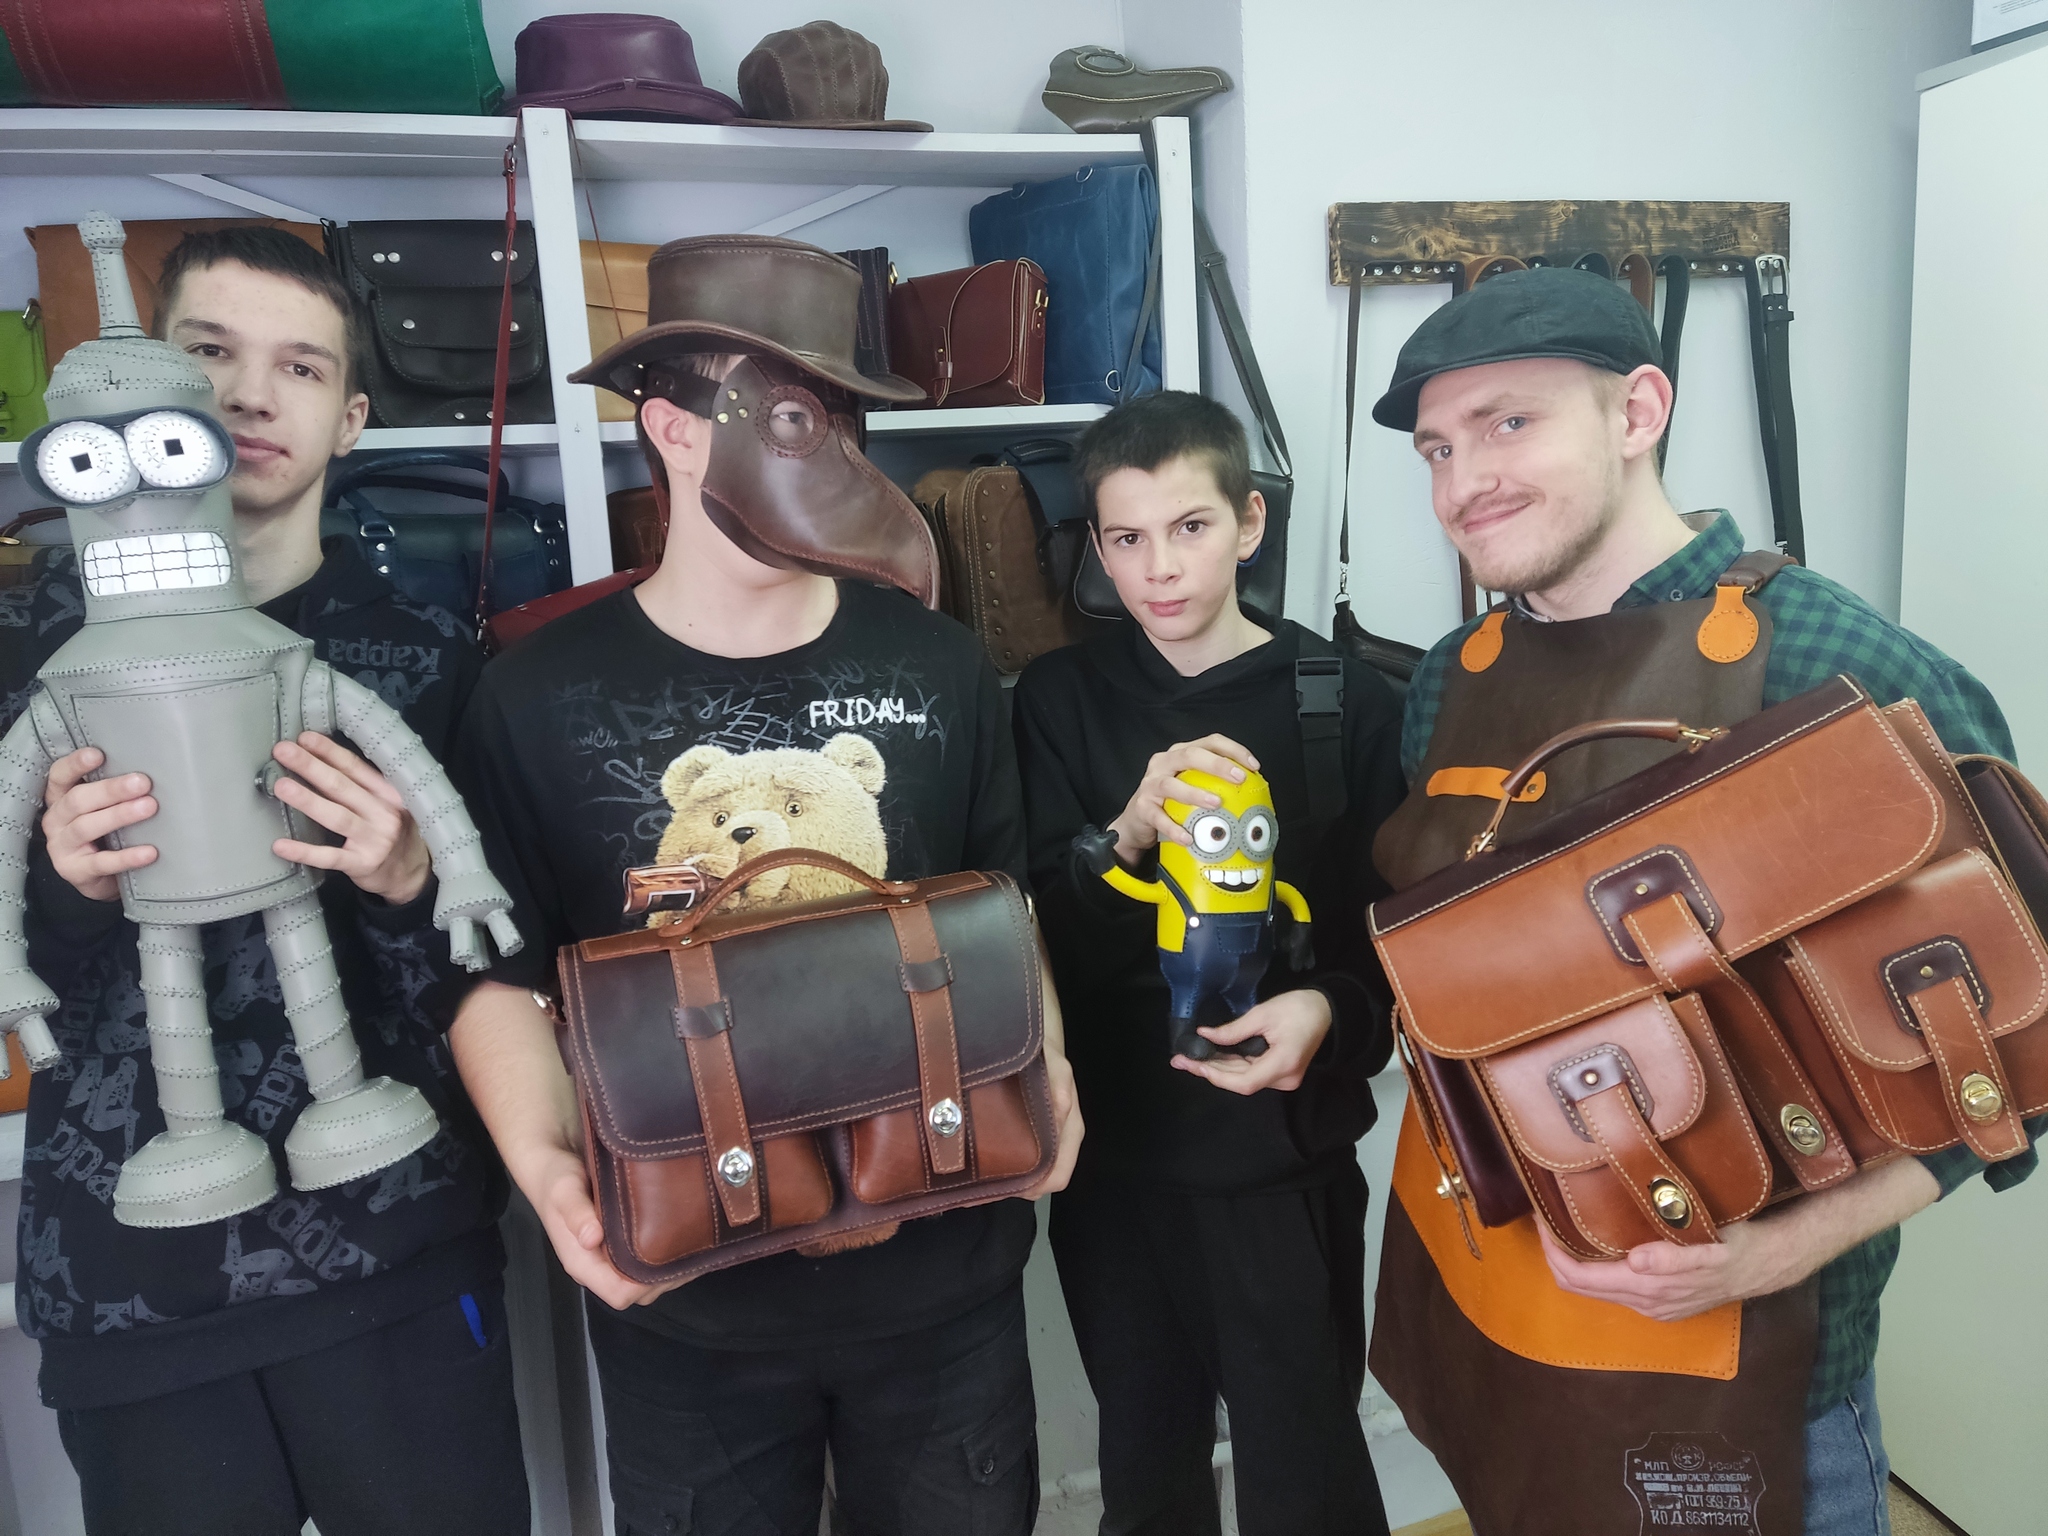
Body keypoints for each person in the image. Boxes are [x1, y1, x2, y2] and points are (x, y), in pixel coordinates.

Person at [1364, 265, 2041, 1536]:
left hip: (1754, 1365)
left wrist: (1784, 1247)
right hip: (1499, 1312)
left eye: (1508, 423)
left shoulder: (1827, 657)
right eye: (1437, 449)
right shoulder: (1450, 676)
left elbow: (2024, 1030)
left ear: (1637, 411)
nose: (1461, 484)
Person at [446, 235, 1082, 1536]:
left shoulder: (939, 663)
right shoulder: (531, 695)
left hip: (940, 1270)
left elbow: (1002, 902)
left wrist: (1051, 1073)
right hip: (692, 1301)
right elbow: (495, 967)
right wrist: (549, 1175)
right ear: (671, 428)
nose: (829, 452)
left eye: (843, 417)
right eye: (792, 416)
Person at [0, 226, 526, 1536]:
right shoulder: (26, 655)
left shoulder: (425, 661)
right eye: (209, 354)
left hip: (394, 1265)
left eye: (300, 367)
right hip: (132, 1290)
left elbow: (501, 980)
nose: (247, 396)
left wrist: (408, 878)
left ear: (350, 419)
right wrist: (63, 892)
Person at [1012, 391, 1405, 1536]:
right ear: (1096, 550)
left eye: (1188, 527)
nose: (1159, 567)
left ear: (1248, 523)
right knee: (1145, 1472)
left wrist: (1325, 1014)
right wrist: (1122, 836)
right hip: (1112, 1167)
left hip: (1280, 1164)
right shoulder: (1056, 699)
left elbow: (1393, 947)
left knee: (1306, 1479)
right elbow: (1034, 942)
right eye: (1126, 537)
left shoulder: (1343, 701)